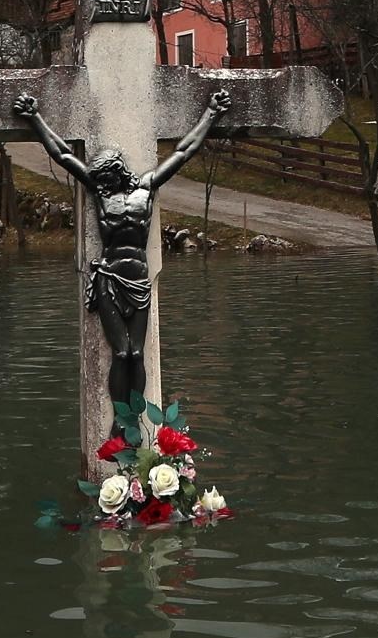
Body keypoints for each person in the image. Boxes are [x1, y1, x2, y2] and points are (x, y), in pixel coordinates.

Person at [12, 89, 232, 435]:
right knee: (122, 353)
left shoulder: (146, 189)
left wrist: (212, 113)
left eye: (105, 177)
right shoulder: (101, 194)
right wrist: (34, 117)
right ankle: (120, 420)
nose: (100, 183)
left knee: (137, 355)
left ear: (117, 172)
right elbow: (64, 155)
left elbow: (184, 151)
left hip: (139, 278)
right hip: (110, 276)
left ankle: (136, 417)